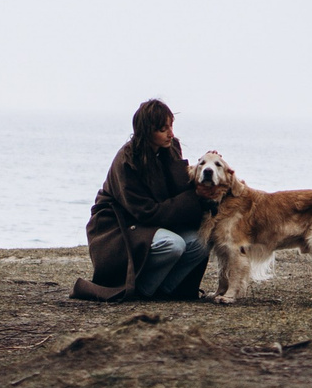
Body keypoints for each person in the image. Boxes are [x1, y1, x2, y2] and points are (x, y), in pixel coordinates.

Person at [71, 98, 213, 302]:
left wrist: (204, 169)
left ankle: (165, 290)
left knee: (202, 242)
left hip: (152, 223)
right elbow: (146, 212)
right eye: (163, 129)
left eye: (171, 126)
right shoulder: (127, 160)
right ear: (147, 130)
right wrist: (195, 196)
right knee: (173, 245)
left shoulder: (170, 147)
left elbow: (180, 188)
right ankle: (143, 291)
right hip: (118, 228)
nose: (171, 133)